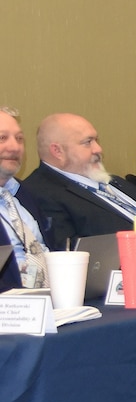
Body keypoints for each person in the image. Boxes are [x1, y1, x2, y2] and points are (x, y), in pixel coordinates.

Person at [23, 113, 136, 266]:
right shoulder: (41, 193)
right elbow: (71, 256)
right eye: (88, 142)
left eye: (97, 140)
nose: (98, 149)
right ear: (57, 151)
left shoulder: (114, 182)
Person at [0, 107, 50, 290]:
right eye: (2, 138)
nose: (14, 147)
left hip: (52, 299)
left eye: (19, 139)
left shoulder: (25, 193)